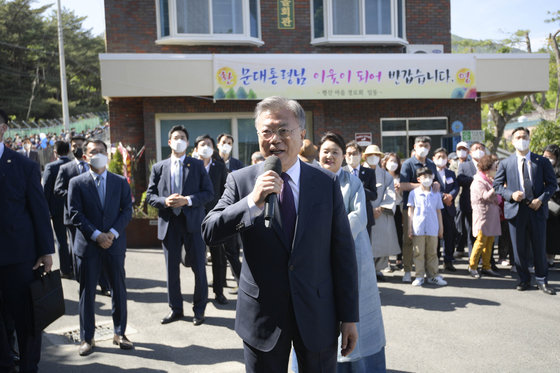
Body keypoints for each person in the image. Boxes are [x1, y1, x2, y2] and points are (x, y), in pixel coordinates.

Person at [202, 96, 359, 372]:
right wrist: (253, 201)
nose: (275, 139)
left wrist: (349, 317)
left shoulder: (325, 183)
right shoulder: (241, 181)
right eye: (267, 132)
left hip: (317, 313)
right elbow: (210, 230)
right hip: (262, 316)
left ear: (302, 134)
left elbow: (342, 253)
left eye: (283, 130)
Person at [318, 132, 386, 372]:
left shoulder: (352, 182)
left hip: (352, 252)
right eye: (325, 151)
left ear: (342, 157)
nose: (330, 156)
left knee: (354, 306)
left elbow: (358, 217)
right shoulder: (311, 180)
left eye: (335, 152)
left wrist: (329, 230)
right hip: (317, 255)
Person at [0, 109, 55, 372]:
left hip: (20, 260)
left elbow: (39, 211)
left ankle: (29, 366)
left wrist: (46, 251)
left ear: (3, 129)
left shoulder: (24, 166)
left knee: (27, 320)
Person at [68, 139, 133, 356]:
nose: (98, 154)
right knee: (87, 293)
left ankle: (120, 333)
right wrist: (97, 236)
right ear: (85, 157)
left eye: (102, 151)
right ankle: (87, 338)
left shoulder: (120, 181)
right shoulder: (77, 183)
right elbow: (75, 214)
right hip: (88, 246)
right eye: (93, 151)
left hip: (114, 244)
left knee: (119, 289)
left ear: (108, 154)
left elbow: (127, 211)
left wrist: (112, 234)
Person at [147, 125, 214, 325]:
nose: (179, 140)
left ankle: (199, 309)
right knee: (171, 270)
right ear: (169, 142)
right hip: (169, 223)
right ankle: (175, 309)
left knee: (199, 269)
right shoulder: (159, 167)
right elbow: (150, 196)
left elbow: (208, 193)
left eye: (182, 137)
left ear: (187, 142)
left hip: (193, 223)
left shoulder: (197, 165)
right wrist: (164, 201)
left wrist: (188, 200)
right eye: (175, 137)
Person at [493, 127, 557, 295]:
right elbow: (497, 186)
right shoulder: (506, 163)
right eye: (518, 137)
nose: (522, 140)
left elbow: (552, 185)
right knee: (519, 248)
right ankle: (523, 279)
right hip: (516, 210)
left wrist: (541, 200)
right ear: (512, 141)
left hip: (537, 210)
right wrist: (511, 194)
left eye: (524, 137)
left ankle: (542, 280)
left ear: (529, 139)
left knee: (539, 246)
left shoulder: (541, 161)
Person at [399, 136, 442, 283]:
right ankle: (407, 270)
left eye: (426, 145)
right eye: (420, 145)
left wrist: (434, 184)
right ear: (415, 147)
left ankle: (428, 273)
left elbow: (437, 183)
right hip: (411, 208)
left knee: (428, 243)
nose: (423, 147)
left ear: (429, 148)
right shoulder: (408, 164)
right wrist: (424, 185)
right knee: (409, 240)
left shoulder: (431, 163)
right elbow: (402, 186)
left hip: (429, 209)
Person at [194, 134, 229, 305]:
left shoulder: (219, 167)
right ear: (195, 149)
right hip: (195, 217)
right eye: (202, 144)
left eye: (208, 144)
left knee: (218, 257)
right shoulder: (190, 166)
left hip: (215, 217)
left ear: (213, 148)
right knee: (197, 259)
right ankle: (200, 294)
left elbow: (225, 191)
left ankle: (219, 291)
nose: (205, 147)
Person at [363, 145, 400, 278]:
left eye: (376, 155)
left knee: (381, 243)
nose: (373, 157)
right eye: (370, 155)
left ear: (380, 157)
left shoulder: (385, 175)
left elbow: (390, 193)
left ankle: (378, 269)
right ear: (365, 157)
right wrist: (369, 209)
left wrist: (381, 208)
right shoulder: (360, 172)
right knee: (366, 243)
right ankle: (367, 270)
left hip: (381, 213)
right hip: (365, 212)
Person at [407, 167, 447, 286]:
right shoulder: (413, 193)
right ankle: (419, 275)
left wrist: (441, 227)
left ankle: (433, 275)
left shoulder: (436, 194)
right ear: (419, 179)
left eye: (430, 177)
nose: (427, 179)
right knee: (418, 253)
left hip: (433, 228)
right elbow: (411, 210)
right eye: (424, 177)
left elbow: (439, 211)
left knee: (432, 253)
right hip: (418, 228)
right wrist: (410, 227)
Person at [42, 140, 73, 278]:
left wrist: (46, 210)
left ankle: (65, 270)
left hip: (57, 209)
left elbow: (46, 190)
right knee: (74, 238)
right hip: (74, 207)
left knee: (61, 239)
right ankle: (75, 266)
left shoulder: (51, 167)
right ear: (69, 151)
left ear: (55, 152)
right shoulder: (75, 165)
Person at [468, 155, 501, 278]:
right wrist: (496, 187)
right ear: (487, 169)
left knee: (490, 242)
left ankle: (486, 266)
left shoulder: (488, 180)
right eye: (494, 167)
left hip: (491, 215)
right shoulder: (478, 181)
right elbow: (486, 196)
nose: (496, 169)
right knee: (481, 241)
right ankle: (472, 266)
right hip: (483, 215)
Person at [457, 141, 486, 259]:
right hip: (469, 205)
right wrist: (476, 179)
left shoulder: (488, 165)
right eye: (476, 148)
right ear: (470, 152)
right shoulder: (464, 165)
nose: (478, 150)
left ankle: (487, 261)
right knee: (472, 234)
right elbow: (460, 179)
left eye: (481, 148)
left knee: (486, 235)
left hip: (486, 205)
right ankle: (473, 260)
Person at [433, 148, 459, 271]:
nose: (441, 159)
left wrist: (451, 196)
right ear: (433, 159)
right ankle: (435, 259)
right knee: (436, 235)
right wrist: (444, 196)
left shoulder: (451, 173)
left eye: (443, 156)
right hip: (436, 209)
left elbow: (455, 186)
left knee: (450, 235)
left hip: (449, 208)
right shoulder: (431, 173)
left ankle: (448, 260)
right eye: (438, 156)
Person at [343, 141, 377, 236]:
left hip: (365, 216)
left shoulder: (369, 172)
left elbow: (374, 195)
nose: (352, 156)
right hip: (346, 216)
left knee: (365, 247)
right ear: (345, 156)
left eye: (355, 153)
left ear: (360, 155)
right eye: (349, 154)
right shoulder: (341, 172)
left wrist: (359, 188)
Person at [382, 153, 404, 269]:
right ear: (385, 162)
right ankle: (387, 261)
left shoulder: (401, 177)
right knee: (386, 234)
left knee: (399, 232)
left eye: (395, 161)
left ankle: (399, 258)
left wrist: (399, 189)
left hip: (398, 207)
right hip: (386, 208)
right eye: (390, 161)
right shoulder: (382, 175)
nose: (393, 164)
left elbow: (404, 195)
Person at [543, 144, 560, 266]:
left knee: (554, 233)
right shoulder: (541, 167)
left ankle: (551, 257)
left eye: (551, 157)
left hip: (557, 206)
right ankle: (544, 256)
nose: (548, 159)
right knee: (545, 233)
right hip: (544, 204)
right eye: (545, 156)